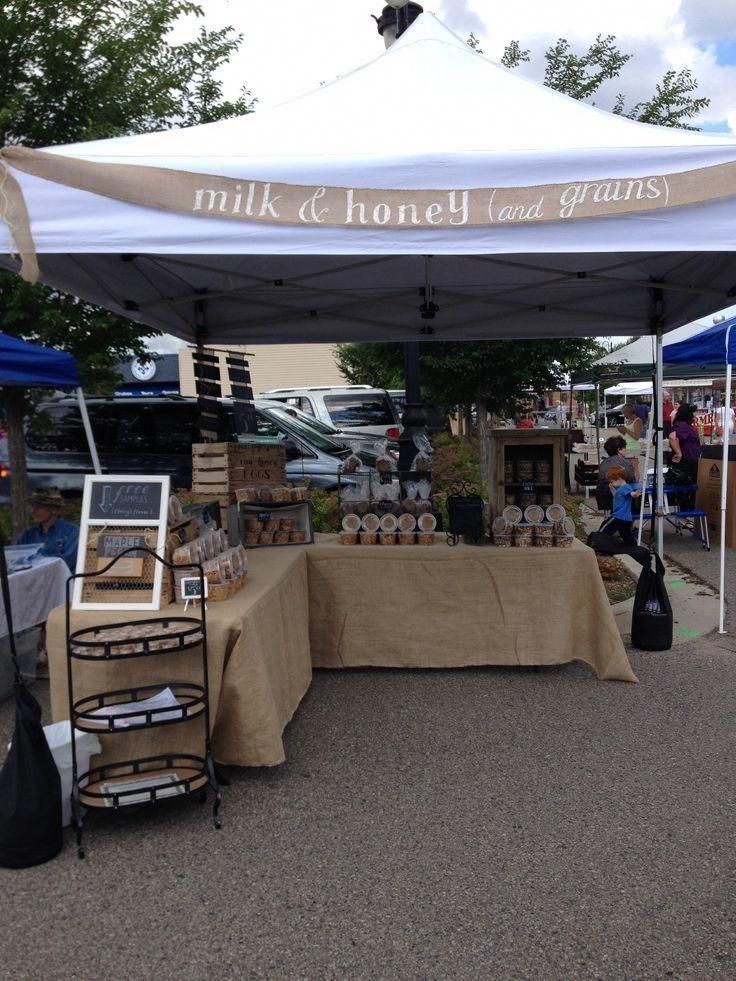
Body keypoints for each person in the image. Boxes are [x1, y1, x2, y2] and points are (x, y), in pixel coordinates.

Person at [16, 486, 79, 573]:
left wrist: (35, 560)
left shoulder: (72, 532)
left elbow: (69, 562)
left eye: (39, 506)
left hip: (61, 584)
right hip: (31, 584)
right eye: (32, 506)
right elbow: (15, 563)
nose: (33, 511)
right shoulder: (27, 535)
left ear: (54, 509)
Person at [598, 466, 642, 545]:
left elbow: (632, 494)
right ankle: (632, 546)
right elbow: (616, 496)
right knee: (626, 535)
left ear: (619, 479)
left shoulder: (625, 488)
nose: (611, 483)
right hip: (626, 518)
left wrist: (636, 494)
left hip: (618, 516)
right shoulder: (621, 489)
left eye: (612, 482)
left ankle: (598, 541)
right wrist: (612, 488)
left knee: (605, 527)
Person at [668, 403, 702, 487]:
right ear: (688, 414)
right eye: (693, 413)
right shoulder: (682, 425)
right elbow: (672, 436)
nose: (695, 415)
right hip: (687, 461)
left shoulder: (686, 425)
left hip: (691, 460)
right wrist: (678, 453)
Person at [616, 403, 643, 481]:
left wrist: (626, 430)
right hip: (626, 446)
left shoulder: (638, 421)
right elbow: (626, 434)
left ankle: (636, 484)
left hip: (633, 447)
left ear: (629, 412)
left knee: (634, 467)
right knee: (625, 467)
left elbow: (636, 437)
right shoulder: (628, 420)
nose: (624, 415)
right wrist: (621, 430)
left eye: (625, 413)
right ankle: (628, 483)